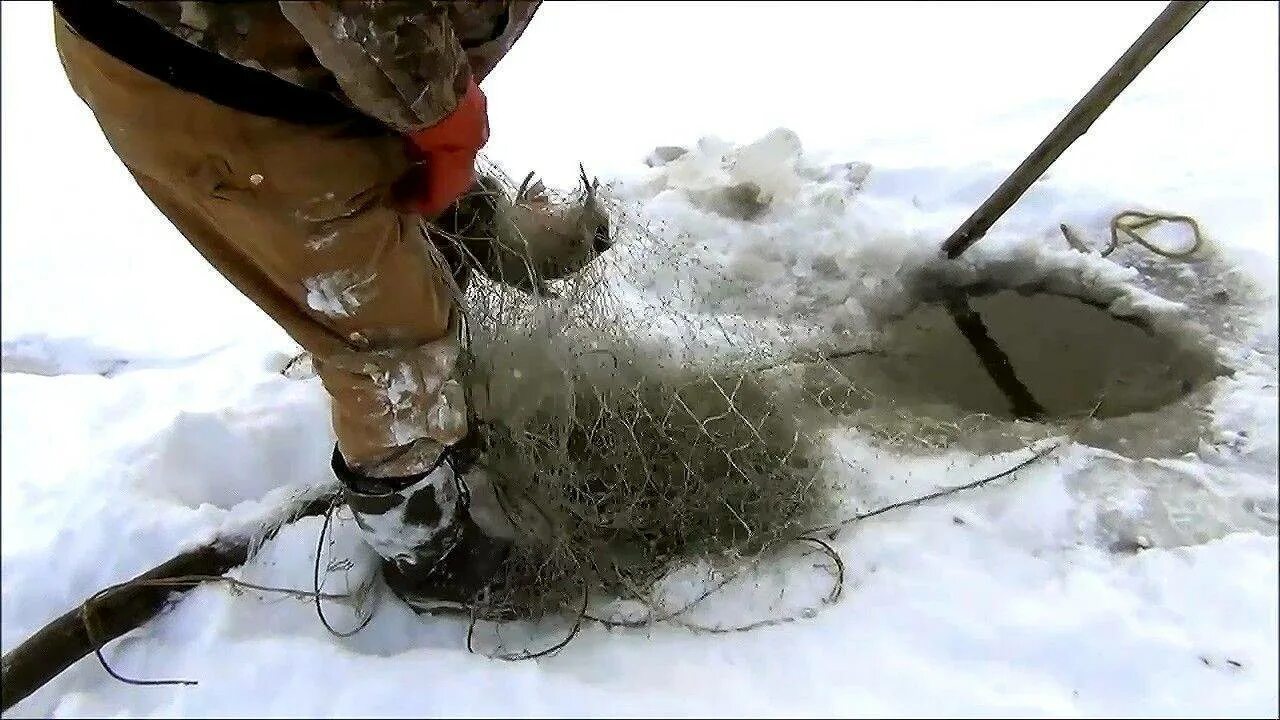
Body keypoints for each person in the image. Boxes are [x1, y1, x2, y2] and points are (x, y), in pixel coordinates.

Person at [52, 0, 608, 614]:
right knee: (391, 350)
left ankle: (452, 232)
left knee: (400, 165)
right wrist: (440, 113)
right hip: (211, 78)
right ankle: (429, 551)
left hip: (318, 58)